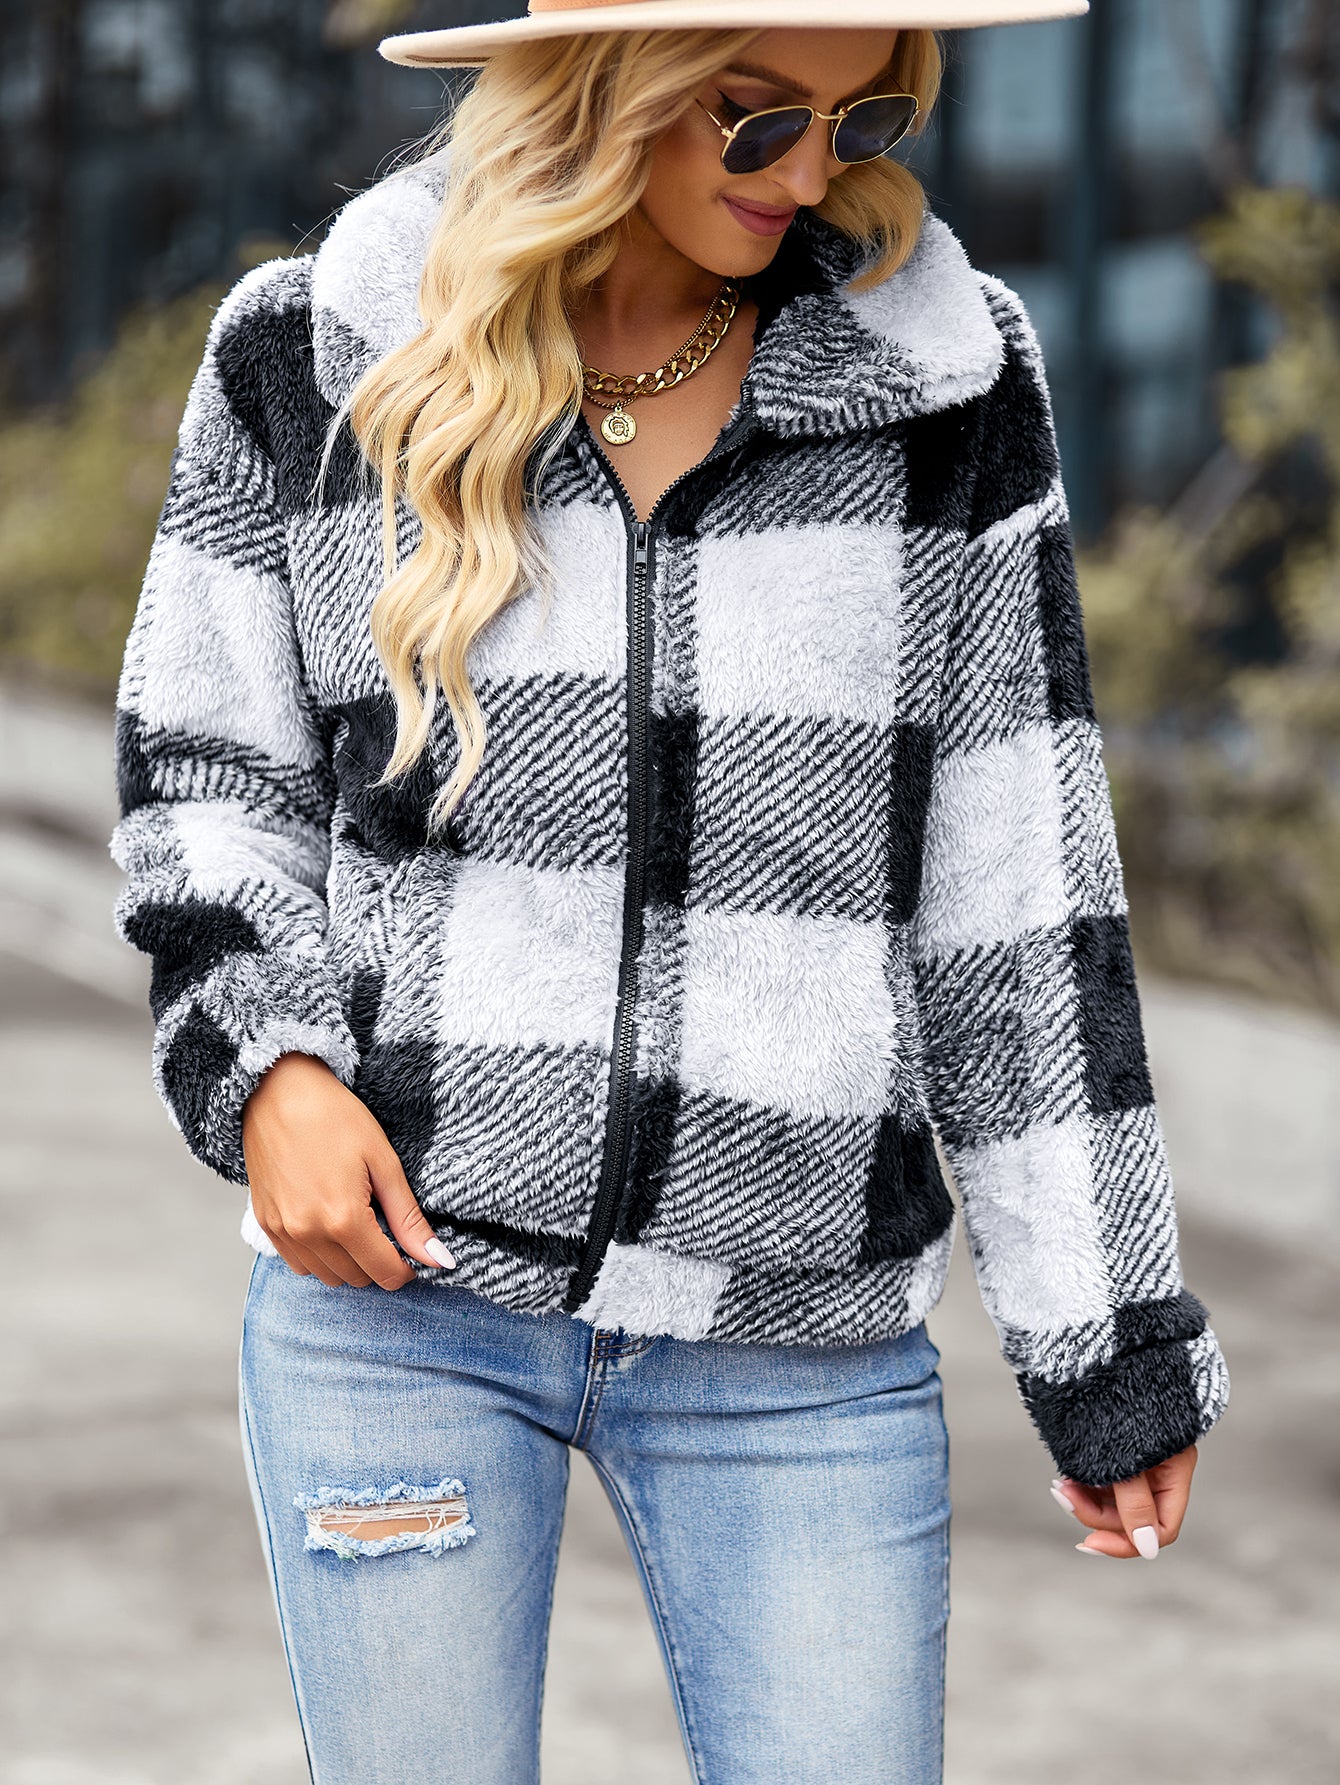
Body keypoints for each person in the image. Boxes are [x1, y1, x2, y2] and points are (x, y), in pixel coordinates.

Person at [108, 2, 1230, 1779]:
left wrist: (1106, 1337)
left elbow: (1018, 886)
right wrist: (271, 1077)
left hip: (798, 1340)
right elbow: (206, 771)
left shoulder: (940, 389)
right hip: (401, 1310)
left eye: (861, 121)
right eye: (756, 117)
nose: (812, 173)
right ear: (601, 89)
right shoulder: (318, 356)